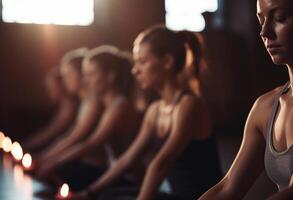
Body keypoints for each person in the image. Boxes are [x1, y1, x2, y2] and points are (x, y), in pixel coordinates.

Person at [199, 0, 293, 199]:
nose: (264, 32)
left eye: (280, 18)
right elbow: (227, 187)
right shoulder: (266, 106)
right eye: (261, 20)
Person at [72, 25, 222, 200]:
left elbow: (161, 164)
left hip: (200, 197)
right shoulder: (154, 111)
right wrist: (88, 193)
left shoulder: (189, 105)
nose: (135, 70)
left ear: (167, 62)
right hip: (174, 195)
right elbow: (127, 159)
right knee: (107, 195)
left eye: (142, 62)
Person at [36, 45, 142, 191]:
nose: (86, 80)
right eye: (85, 74)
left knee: (65, 173)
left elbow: (90, 143)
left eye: (91, 74)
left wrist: (51, 162)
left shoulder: (119, 107)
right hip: (115, 174)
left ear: (110, 77)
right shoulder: (108, 106)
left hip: (129, 180)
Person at [23, 66, 80, 153]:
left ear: (62, 85)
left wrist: (23, 146)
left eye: (51, 87)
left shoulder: (70, 108)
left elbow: (49, 134)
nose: (49, 91)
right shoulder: (64, 107)